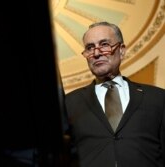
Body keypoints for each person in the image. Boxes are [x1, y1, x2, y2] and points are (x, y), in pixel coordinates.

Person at [65, 21, 165, 167]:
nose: (97, 53)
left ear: (122, 50)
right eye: (90, 48)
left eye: (104, 44)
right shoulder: (69, 103)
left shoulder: (157, 98)